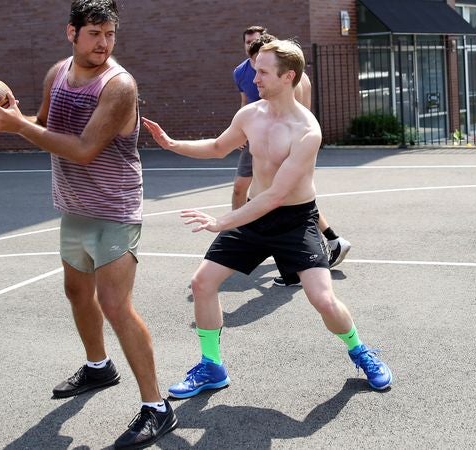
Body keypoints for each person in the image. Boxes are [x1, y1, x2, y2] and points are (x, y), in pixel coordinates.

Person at [0, 1, 176, 448]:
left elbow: (83, 149)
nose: (104, 43)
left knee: (115, 305)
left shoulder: (119, 86)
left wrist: (17, 127)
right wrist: (7, 122)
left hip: (114, 207)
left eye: (110, 34)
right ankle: (99, 366)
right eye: (95, 34)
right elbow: (43, 125)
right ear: (72, 33)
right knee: (77, 293)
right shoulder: (57, 74)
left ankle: (157, 407)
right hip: (73, 205)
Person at [141, 39, 393, 399]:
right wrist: (171, 144)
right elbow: (217, 147)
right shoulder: (249, 115)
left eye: (261, 71)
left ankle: (360, 351)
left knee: (322, 298)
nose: (253, 77)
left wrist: (221, 221)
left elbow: (277, 196)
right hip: (253, 215)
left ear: (287, 76)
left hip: (293, 220)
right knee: (202, 283)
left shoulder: (307, 131)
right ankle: (212, 367)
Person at [233, 27, 351, 288]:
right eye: (249, 45)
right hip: (260, 139)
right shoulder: (243, 72)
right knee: (284, 199)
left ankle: (297, 261)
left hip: (284, 144)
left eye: (258, 47)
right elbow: (246, 105)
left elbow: (292, 113)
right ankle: (331, 241)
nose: (257, 74)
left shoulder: (292, 79)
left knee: (285, 201)